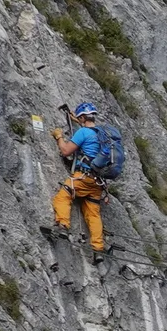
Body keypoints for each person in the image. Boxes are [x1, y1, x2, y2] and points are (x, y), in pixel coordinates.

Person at [51, 101, 110, 261]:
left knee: (62, 197)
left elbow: (65, 151)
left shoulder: (83, 133)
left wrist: (59, 137)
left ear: (83, 117)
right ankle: (98, 249)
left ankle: (63, 226)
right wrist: (74, 117)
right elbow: (87, 128)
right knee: (93, 213)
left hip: (82, 178)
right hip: (98, 183)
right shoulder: (102, 134)